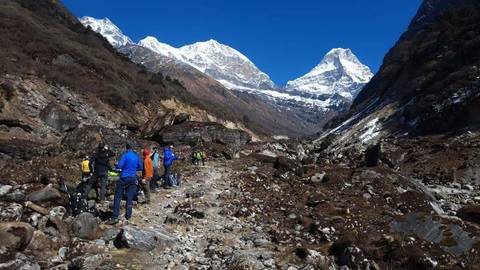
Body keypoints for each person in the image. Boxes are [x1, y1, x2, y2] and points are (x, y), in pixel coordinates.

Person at [107, 143, 142, 225]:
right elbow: (140, 167)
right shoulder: (136, 156)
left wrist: (120, 166)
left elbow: (119, 166)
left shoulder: (125, 155)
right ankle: (128, 216)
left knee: (117, 196)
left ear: (126, 148)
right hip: (133, 177)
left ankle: (115, 216)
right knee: (130, 197)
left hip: (124, 177)